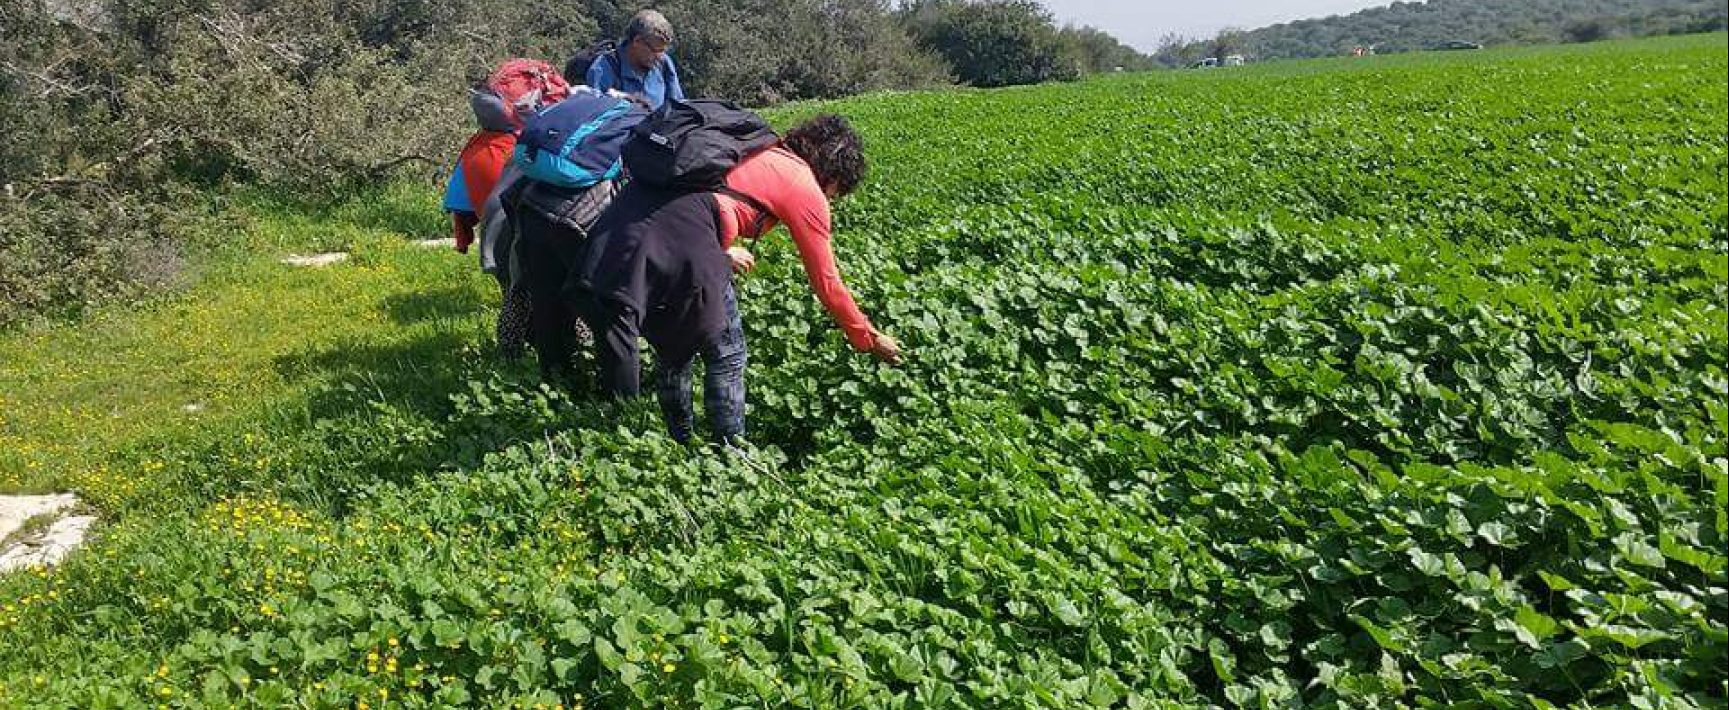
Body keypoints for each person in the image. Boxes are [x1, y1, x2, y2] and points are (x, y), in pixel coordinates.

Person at [571, 114, 902, 445]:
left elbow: (708, 200)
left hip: (637, 221)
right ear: (833, 175)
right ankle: (731, 452)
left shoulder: (760, 148)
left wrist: (721, 254)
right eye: (836, 193)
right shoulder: (803, 186)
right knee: (728, 352)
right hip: (684, 235)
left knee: (674, 346)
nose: (831, 200)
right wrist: (867, 337)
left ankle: (679, 440)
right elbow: (827, 282)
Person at [584, 10, 685, 110]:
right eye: (655, 50)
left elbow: (677, 107)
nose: (659, 57)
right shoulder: (604, 68)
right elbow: (593, 113)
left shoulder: (664, 63)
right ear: (637, 41)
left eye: (662, 51)